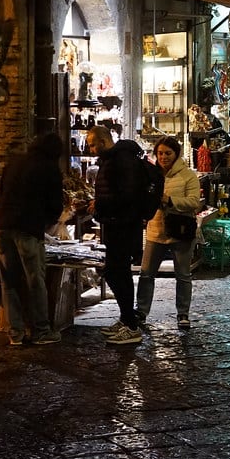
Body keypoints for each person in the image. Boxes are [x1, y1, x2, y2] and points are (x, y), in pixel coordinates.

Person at [0, 132, 66, 346]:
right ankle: (41, 331)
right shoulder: (49, 168)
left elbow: (1, 192)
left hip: (2, 226)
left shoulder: (14, 163)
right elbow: (54, 204)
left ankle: (15, 332)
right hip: (28, 229)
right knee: (35, 280)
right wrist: (48, 221)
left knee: (9, 281)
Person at [85, 125, 146, 345]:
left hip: (123, 225)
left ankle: (130, 325)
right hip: (114, 224)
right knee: (116, 272)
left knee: (116, 272)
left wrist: (100, 203)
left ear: (103, 140)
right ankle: (126, 320)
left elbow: (127, 194)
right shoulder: (113, 159)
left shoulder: (122, 159)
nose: (90, 149)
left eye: (92, 144)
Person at [136, 137, 201, 327]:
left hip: (180, 231)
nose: (163, 157)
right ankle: (141, 311)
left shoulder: (188, 175)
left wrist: (170, 200)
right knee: (146, 273)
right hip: (155, 230)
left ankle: (183, 313)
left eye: (168, 153)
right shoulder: (151, 174)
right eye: (160, 153)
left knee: (182, 274)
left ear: (176, 154)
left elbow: (194, 202)